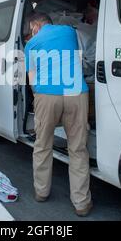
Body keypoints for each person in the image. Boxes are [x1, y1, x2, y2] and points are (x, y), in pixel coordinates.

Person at [25, 12, 93, 217]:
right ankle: (81, 203)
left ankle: (41, 192)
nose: (30, 32)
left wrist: (40, 97)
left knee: (42, 145)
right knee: (78, 149)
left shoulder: (31, 44)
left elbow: (32, 78)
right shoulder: (69, 31)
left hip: (47, 94)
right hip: (76, 92)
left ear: (36, 25)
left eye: (31, 28)